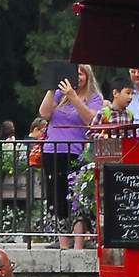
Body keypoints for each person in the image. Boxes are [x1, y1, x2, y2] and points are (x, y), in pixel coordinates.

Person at [37, 64, 104, 246]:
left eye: (81, 74)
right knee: (56, 196)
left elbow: (90, 119)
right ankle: (62, 241)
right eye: (75, 74)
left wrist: (74, 97)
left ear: (88, 76)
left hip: (75, 152)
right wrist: (52, 88)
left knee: (76, 197)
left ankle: (78, 242)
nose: (78, 77)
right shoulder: (59, 96)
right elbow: (44, 113)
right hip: (53, 150)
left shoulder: (94, 98)